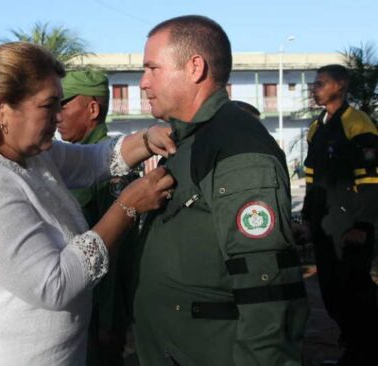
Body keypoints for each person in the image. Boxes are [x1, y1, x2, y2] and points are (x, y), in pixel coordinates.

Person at [0, 42, 175, 365]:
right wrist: (127, 207)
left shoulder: (29, 152)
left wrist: (146, 140)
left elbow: (93, 161)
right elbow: (55, 284)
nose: (58, 116)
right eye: (48, 106)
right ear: (0, 108)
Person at [132, 15, 308, 365]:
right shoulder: (193, 139)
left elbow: (266, 284)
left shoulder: (236, 147)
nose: (142, 82)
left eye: (153, 69)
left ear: (195, 67)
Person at [294, 64, 378, 365]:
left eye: (320, 83)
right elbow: (312, 179)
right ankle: (356, 338)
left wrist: (363, 225)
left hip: (351, 225)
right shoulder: (318, 127)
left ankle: (364, 346)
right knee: (330, 289)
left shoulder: (359, 123)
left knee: (355, 287)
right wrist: (306, 220)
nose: (313, 88)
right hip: (324, 225)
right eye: (314, 83)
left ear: (340, 87)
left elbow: (371, 180)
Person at [60, 70, 137, 365]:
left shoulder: (109, 168)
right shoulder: (70, 159)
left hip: (97, 313)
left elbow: (117, 251)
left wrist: (109, 319)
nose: (57, 115)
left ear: (92, 109)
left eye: (64, 105)